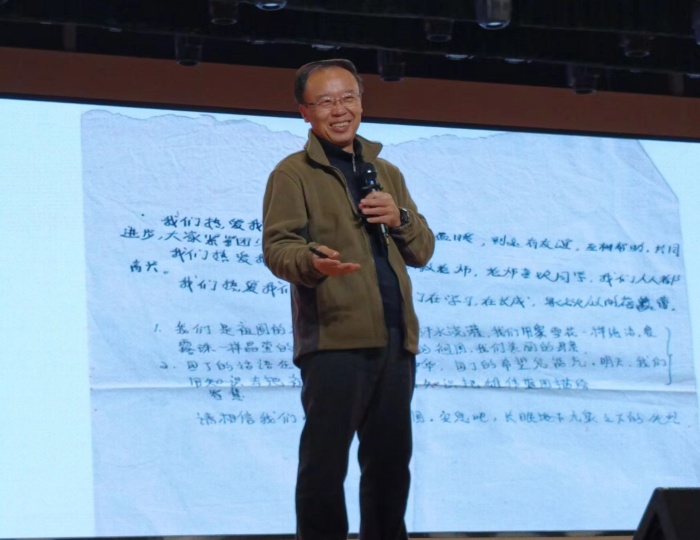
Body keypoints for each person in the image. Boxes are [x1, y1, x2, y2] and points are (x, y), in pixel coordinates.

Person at [262, 58, 435, 540]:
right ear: (304, 112)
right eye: (325, 102)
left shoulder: (387, 172)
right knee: (324, 468)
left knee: (390, 467)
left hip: (396, 339)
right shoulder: (292, 173)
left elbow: (422, 250)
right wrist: (313, 261)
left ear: (361, 102)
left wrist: (400, 218)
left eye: (348, 98)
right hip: (334, 338)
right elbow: (278, 248)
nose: (339, 110)